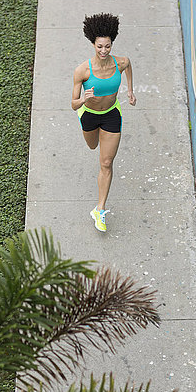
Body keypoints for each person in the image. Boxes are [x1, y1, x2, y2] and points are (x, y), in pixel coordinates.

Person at [71, 13, 136, 232]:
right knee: (92, 145)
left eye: (107, 46)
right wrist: (84, 99)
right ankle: (97, 134)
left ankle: (99, 209)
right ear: (93, 44)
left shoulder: (120, 62)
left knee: (106, 162)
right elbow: (73, 104)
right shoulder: (83, 70)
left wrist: (130, 92)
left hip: (111, 114)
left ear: (112, 43)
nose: (103, 51)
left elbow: (129, 67)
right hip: (88, 113)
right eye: (99, 47)